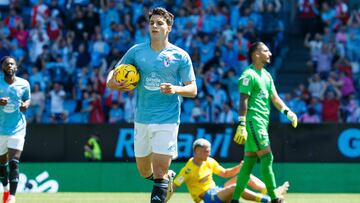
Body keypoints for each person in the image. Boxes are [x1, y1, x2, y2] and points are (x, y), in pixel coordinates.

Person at [106, 7, 197, 203]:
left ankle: (163, 180)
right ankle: (167, 178)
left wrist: (175, 89)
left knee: (159, 171)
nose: (154, 26)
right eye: (152, 23)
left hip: (168, 118)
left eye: (159, 23)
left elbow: (193, 89)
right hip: (142, 118)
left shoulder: (180, 56)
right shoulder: (136, 52)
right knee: (144, 171)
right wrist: (117, 84)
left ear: (169, 28)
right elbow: (111, 78)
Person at [231, 42, 297, 203]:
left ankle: (234, 200)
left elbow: (274, 98)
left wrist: (288, 112)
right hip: (254, 123)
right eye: (266, 50)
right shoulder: (248, 75)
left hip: (261, 123)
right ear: (256, 54)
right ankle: (275, 198)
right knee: (267, 157)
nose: (270, 53)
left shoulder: (266, 75)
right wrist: (241, 123)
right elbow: (243, 101)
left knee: (248, 163)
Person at [170, 138, 289, 203]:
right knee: (236, 186)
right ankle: (267, 201)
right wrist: (162, 199)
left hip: (217, 191)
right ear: (196, 151)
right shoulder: (187, 169)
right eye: (206, 151)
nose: (209, 153)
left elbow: (225, 173)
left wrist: (239, 167)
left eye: (209, 150)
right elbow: (175, 185)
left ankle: (272, 193)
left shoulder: (210, 161)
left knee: (244, 176)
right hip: (208, 198)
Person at [0, 56, 31, 203]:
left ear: (16, 67)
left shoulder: (24, 84)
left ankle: (12, 197)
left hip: (17, 128)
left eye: (12, 64)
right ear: (3, 68)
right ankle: (5, 190)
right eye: (7, 64)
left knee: (14, 162)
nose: (10, 66)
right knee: (2, 164)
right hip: (0, 129)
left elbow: (27, 98)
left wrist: (26, 104)